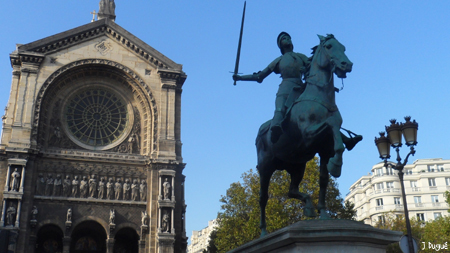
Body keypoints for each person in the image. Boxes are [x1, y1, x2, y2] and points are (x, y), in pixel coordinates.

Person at [233, 32, 362, 149]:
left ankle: (345, 140)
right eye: (283, 38)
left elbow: (316, 65)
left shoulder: (301, 57)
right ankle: (275, 129)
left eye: (288, 37)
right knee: (280, 109)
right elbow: (259, 76)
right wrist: (240, 78)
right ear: (280, 44)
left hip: (302, 88)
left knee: (318, 112)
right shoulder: (279, 60)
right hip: (286, 88)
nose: (287, 39)